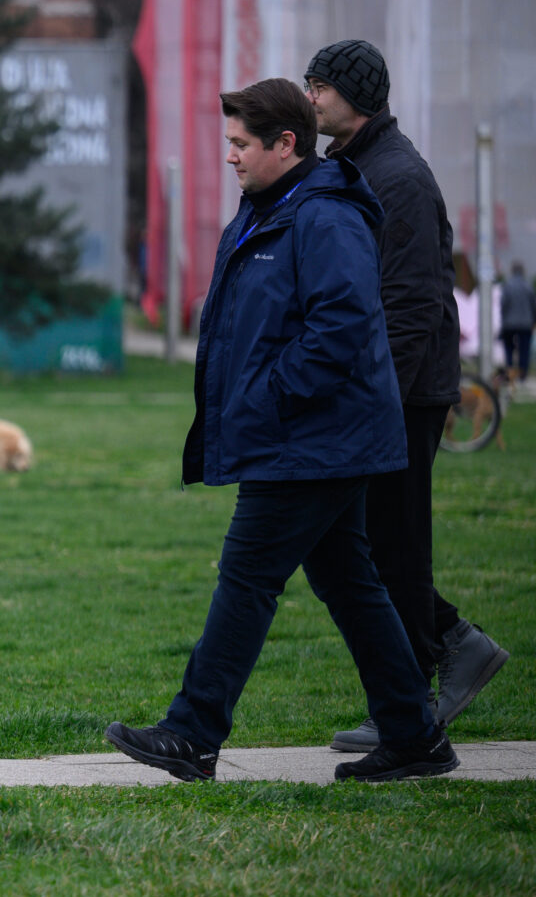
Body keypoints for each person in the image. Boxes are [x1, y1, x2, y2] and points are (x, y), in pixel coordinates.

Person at [105, 78, 455, 783]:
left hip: (314, 437)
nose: (229, 156)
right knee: (351, 581)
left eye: (240, 144)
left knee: (247, 575)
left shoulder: (324, 218)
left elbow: (344, 327)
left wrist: (269, 396)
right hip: (307, 434)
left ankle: (194, 730)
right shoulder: (271, 211)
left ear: (285, 144)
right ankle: (414, 735)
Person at [304, 39, 508, 751]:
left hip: (403, 393)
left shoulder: (400, 178)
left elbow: (413, 303)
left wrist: (375, 400)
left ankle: (409, 706)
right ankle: (453, 645)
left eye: (321, 86)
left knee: (393, 543)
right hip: (381, 389)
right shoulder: (354, 166)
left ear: (355, 95)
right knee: (372, 540)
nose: (312, 98)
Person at [501, 261, 534, 381]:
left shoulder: (507, 286)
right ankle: (522, 374)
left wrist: (504, 319)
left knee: (509, 348)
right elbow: (533, 305)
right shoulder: (528, 286)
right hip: (525, 323)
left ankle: (510, 371)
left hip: (509, 323)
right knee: (524, 350)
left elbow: (503, 304)